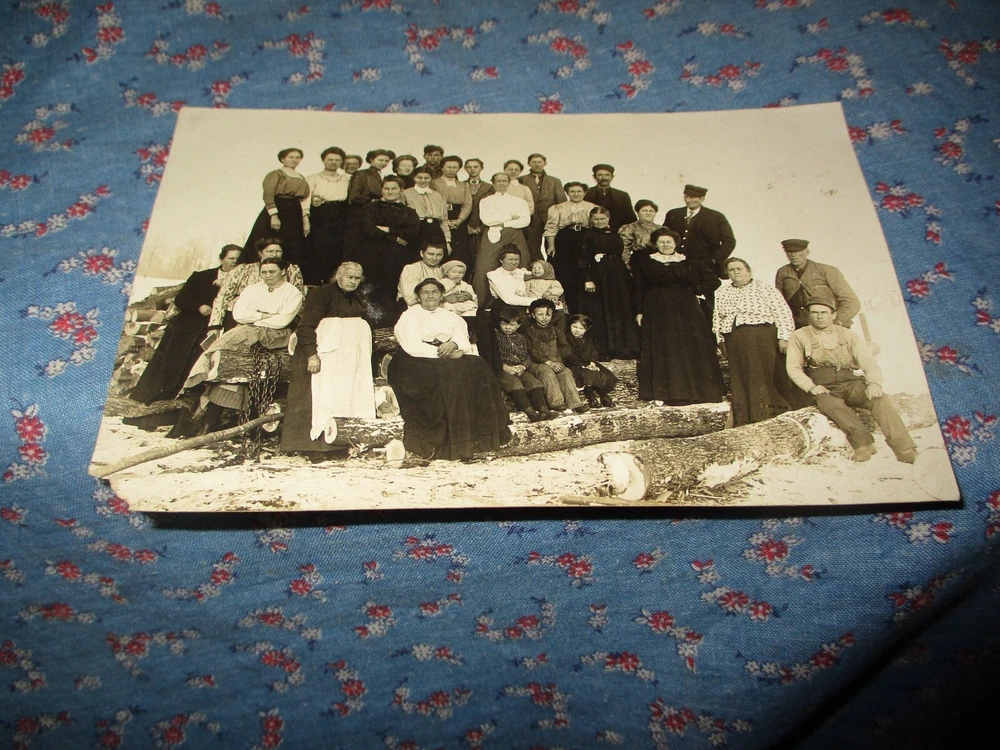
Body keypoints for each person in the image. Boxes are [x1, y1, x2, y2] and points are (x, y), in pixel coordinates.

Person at [388, 278, 511, 460]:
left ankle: (483, 435)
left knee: (479, 365)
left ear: (441, 295)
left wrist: (454, 345)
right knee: (447, 373)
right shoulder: (410, 316)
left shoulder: (450, 315)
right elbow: (412, 346)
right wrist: (444, 354)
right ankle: (451, 440)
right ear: (418, 296)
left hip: (447, 355)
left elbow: (463, 340)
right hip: (414, 361)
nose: (430, 296)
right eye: (425, 292)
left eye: (435, 292)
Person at [786, 296, 918, 463]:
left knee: (879, 399)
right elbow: (793, 368)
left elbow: (868, 362)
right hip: (822, 385)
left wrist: (874, 383)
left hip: (850, 381)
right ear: (808, 315)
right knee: (830, 404)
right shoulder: (799, 336)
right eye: (814, 313)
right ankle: (863, 444)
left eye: (824, 312)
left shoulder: (848, 335)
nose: (819, 316)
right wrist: (811, 387)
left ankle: (904, 449)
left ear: (833, 315)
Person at [179, 258, 304, 433]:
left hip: (276, 335)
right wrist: (265, 315)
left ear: (283, 271)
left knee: (226, 346)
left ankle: (200, 379)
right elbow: (238, 315)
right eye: (264, 272)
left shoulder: (292, 293)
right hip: (248, 329)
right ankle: (207, 409)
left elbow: (282, 321)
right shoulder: (252, 289)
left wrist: (254, 316)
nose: (267, 276)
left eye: (272, 272)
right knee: (229, 359)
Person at [280, 262, 374, 455]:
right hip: (320, 354)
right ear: (338, 276)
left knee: (343, 397)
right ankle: (311, 448)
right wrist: (312, 355)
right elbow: (305, 327)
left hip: (345, 358)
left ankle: (338, 444)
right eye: (349, 277)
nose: (353, 281)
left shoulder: (357, 296)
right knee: (318, 397)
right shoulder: (321, 294)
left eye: (357, 278)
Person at [129, 244, 242, 405]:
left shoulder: (241, 282)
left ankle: (177, 403)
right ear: (222, 259)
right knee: (170, 365)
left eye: (238, 259)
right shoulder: (201, 277)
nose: (234, 261)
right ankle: (152, 399)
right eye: (231, 258)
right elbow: (181, 299)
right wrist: (199, 306)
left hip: (209, 331)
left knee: (194, 367)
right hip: (186, 327)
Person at [632, 228, 725, 405]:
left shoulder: (690, 262)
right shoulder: (646, 262)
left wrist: (696, 290)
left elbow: (714, 281)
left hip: (686, 308)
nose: (665, 245)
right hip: (656, 308)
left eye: (669, 241)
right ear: (655, 244)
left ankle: (696, 392)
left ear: (676, 243)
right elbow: (638, 287)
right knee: (663, 346)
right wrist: (639, 311)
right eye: (661, 242)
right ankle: (666, 393)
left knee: (688, 345)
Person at [712, 258, 795, 426]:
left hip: (761, 337)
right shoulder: (721, 292)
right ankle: (746, 417)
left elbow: (782, 312)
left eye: (739, 269)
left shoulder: (764, 288)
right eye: (731, 270)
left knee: (764, 375)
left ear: (749, 271)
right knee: (740, 377)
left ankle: (770, 414)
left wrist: (784, 337)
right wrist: (720, 339)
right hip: (733, 338)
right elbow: (717, 317)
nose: (735, 273)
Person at [578, 206, 640, 359]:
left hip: (617, 275)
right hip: (599, 275)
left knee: (620, 309)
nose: (600, 222)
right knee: (602, 309)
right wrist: (588, 279)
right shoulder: (588, 235)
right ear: (591, 220)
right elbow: (583, 258)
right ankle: (604, 349)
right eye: (596, 219)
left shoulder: (614, 233)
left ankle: (623, 348)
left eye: (603, 219)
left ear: (608, 218)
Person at [359, 176, 421, 327]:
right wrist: (396, 237)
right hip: (373, 255)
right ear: (381, 190)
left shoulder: (409, 212)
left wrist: (387, 229)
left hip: (398, 257)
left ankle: (392, 323)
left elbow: (413, 232)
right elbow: (369, 230)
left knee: (393, 288)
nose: (390, 191)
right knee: (373, 287)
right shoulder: (370, 208)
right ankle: (372, 323)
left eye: (394, 188)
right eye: (386, 188)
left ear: (401, 190)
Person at [209, 239, 304, 330]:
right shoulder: (243, 270)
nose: (274, 255)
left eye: (278, 251)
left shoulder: (292, 270)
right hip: (241, 317)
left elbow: (299, 297)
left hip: (276, 320)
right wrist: (215, 326)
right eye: (270, 251)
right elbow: (223, 297)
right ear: (260, 253)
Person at [775, 238, 861, 329]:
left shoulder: (827, 270)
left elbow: (852, 302)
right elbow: (778, 302)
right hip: (800, 328)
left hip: (832, 328)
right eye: (789, 252)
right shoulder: (782, 272)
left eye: (798, 251)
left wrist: (836, 322)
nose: (794, 255)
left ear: (807, 252)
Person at [243, 148, 309, 265]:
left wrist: (305, 219)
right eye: (291, 157)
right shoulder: (275, 174)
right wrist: (274, 216)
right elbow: (268, 195)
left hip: (294, 212)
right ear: (282, 159)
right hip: (278, 209)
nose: (294, 160)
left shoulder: (302, 177)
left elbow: (304, 198)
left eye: (297, 157)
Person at [523, 298, 589, 414]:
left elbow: (565, 348)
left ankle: (575, 403)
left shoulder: (556, 331)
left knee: (566, 372)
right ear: (533, 315)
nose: (544, 318)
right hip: (536, 364)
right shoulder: (529, 331)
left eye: (548, 315)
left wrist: (558, 361)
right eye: (540, 314)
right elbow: (532, 351)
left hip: (555, 361)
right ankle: (556, 402)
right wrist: (548, 362)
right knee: (546, 371)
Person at [473, 173, 531, 304]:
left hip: (515, 235)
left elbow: (525, 220)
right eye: (498, 181)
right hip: (493, 235)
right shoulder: (486, 201)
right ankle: (484, 303)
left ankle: (520, 299)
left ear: (509, 182)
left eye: (504, 181)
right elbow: (487, 220)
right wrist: (510, 217)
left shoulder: (519, 201)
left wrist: (503, 223)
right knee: (486, 265)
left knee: (518, 264)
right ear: (493, 183)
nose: (501, 184)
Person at [491, 304, 555, 422]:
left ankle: (543, 410)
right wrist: (504, 366)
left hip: (519, 368)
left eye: (512, 324)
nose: (507, 327)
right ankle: (530, 413)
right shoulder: (495, 337)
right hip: (503, 370)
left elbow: (526, 357)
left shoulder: (521, 338)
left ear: (519, 325)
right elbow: (493, 356)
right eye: (504, 324)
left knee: (533, 382)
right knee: (514, 383)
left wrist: (523, 366)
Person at [543, 181, 597, 314]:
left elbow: (595, 226)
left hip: (585, 238)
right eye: (572, 191)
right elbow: (551, 228)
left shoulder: (592, 207)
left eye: (579, 191)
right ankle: (567, 311)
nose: (576, 194)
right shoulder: (557, 208)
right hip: (564, 240)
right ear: (567, 193)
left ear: (584, 193)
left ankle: (583, 313)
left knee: (583, 273)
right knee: (565, 274)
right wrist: (551, 246)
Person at [663, 185, 736, 279]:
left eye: (692, 197)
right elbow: (664, 235)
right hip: (676, 263)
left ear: (702, 199)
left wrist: (715, 259)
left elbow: (729, 241)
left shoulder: (716, 217)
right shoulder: (673, 214)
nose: (688, 200)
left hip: (705, 265)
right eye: (686, 197)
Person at [303, 146, 350, 285]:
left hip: (341, 215)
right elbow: (305, 200)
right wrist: (306, 219)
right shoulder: (313, 178)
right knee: (319, 248)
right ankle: (316, 283)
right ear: (323, 160)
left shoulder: (346, 179)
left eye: (337, 160)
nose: (333, 162)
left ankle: (334, 283)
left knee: (338, 249)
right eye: (330, 159)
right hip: (320, 215)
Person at [344, 148, 395, 262]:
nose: (383, 163)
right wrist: (372, 200)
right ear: (371, 160)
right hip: (360, 214)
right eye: (380, 160)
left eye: (386, 161)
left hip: (376, 215)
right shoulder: (362, 174)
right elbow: (354, 196)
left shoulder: (383, 175)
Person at [519, 153, 566, 263]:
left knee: (553, 247)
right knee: (532, 247)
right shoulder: (522, 180)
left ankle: (551, 269)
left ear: (545, 163)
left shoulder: (554, 181)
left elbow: (562, 202)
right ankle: (536, 268)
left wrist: (561, 220)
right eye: (534, 162)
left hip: (551, 219)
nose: (537, 164)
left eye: (539, 162)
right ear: (528, 164)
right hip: (531, 220)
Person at [566, 314, 618, 409]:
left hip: (588, 362)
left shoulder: (589, 338)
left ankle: (603, 395)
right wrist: (582, 365)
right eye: (574, 327)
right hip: (574, 364)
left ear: (586, 330)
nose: (577, 330)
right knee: (587, 374)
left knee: (601, 373)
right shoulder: (567, 338)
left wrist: (592, 362)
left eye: (581, 328)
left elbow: (594, 351)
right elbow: (569, 354)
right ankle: (590, 397)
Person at [431, 155, 473, 270]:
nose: (451, 170)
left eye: (455, 167)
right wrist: (444, 221)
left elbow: (467, 204)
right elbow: (432, 201)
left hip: (458, 219)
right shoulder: (434, 183)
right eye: (448, 167)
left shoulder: (464, 185)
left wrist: (459, 220)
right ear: (442, 168)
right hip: (440, 217)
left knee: (459, 251)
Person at [403, 166, 451, 252]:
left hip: (436, 230)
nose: (423, 180)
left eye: (426, 178)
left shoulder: (438, 195)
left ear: (431, 178)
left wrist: (447, 241)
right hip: (416, 230)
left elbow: (444, 220)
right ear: (414, 178)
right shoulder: (405, 194)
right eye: (419, 177)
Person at [584, 164, 636, 231]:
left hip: (616, 232)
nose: (604, 178)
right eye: (600, 175)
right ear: (594, 177)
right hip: (590, 232)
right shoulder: (586, 194)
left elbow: (631, 218)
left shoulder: (622, 196)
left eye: (607, 175)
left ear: (612, 177)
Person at [397, 241, 446, 308]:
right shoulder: (412, 269)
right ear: (422, 253)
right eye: (430, 254)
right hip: (414, 309)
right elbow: (410, 299)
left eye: (439, 255)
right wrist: (446, 297)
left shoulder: (442, 270)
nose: (435, 258)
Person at [464, 158, 494, 263]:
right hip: (466, 223)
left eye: (475, 167)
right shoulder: (461, 185)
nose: (472, 169)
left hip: (483, 224)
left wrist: (482, 227)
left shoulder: (490, 187)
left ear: (481, 168)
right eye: (469, 167)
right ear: (465, 169)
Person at [618, 199, 663, 269]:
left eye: (651, 211)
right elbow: (624, 249)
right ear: (637, 213)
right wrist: (626, 267)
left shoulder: (662, 229)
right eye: (644, 211)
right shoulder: (629, 228)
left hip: (659, 261)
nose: (648, 213)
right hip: (639, 261)